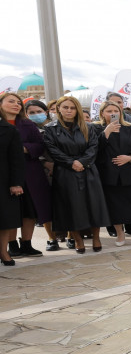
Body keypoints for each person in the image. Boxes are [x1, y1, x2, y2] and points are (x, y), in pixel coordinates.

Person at [43, 95, 109, 254]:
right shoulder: (50, 129)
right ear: (58, 108)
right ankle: (77, 239)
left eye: (72, 108)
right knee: (70, 206)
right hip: (65, 172)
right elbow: (53, 150)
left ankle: (96, 237)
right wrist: (71, 163)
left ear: (77, 110)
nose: (69, 110)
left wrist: (82, 162)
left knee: (94, 205)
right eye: (65, 107)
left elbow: (93, 147)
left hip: (88, 170)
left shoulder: (88, 127)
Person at [95, 101, 131, 247]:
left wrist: (130, 157)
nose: (113, 113)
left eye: (116, 111)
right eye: (109, 111)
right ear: (102, 113)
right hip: (109, 175)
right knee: (114, 207)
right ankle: (120, 233)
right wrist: (106, 133)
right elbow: (95, 150)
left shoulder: (130, 128)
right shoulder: (96, 128)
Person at [2, 93, 47, 257]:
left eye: (18, 102)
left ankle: (27, 243)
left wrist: (24, 148)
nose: (16, 104)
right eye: (11, 101)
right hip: (5, 174)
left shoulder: (27, 124)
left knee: (29, 209)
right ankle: (12, 245)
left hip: (30, 172)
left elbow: (40, 145)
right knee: (10, 210)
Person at [22, 99, 58, 251]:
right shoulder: (27, 129)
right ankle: (52, 237)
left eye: (39, 111)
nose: (36, 115)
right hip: (41, 171)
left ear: (46, 112)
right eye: (31, 113)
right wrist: (45, 163)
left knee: (64, 202)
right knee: (44, 205)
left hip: (63, 168)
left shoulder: (57, 127)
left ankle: (70, 235)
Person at [0, 115, 25, 265]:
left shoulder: (9, 130)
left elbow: (17, 159)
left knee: (4, 220)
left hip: (3, 181)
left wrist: (16, 183)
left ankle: (3, 251)